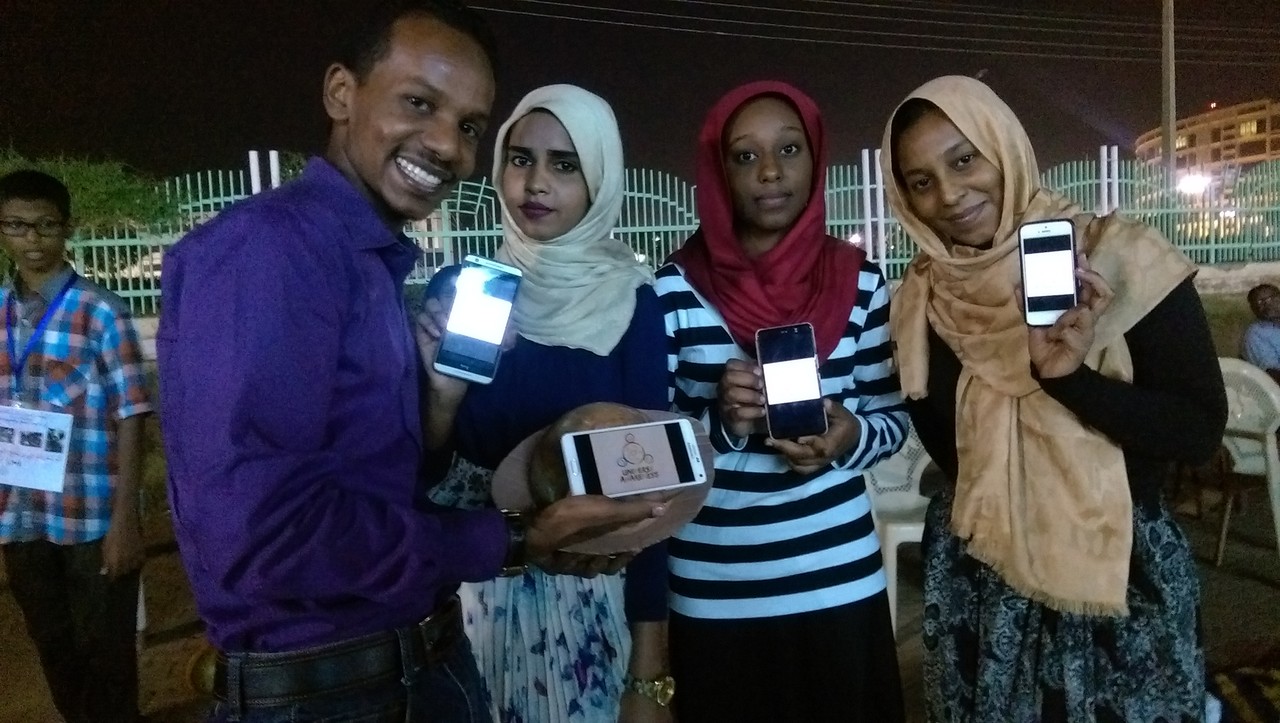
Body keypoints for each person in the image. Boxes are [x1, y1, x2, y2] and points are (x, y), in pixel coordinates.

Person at [156, 4, 664, 722]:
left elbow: (380, 479)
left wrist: (440, 402)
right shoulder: (269, 256)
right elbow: (263, 535)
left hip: (431, 652)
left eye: (470, 126)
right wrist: (510, 535)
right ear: (342, 93)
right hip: (336, 685)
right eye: (419, 103)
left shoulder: (375, 270)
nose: (448, 145)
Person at [883, 75, 1228, 722]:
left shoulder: (1119, 259)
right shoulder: (922, 301)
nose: (949, 194)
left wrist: (1071, 382)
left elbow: (1197, 429)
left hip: (1116, 570)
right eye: (921, 181)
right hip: (981, 573)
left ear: (1005, 149)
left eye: (965, 159)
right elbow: (952, 457)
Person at [417, 84, 674, 723]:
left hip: (583, 603)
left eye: (565, 164)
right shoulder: (458, 292)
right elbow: (414, 479)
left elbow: (650, 499)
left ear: (599, 180)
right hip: (468, 600)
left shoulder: (632, 306)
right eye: (520, 158)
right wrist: (442, 399)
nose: (535, 182)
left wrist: (648, 676)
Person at [655, 81, 908, 722]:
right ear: (718, 170)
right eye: (744, 156)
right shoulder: (674, 289)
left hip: (837, 581)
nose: (769, 171)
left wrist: (846, 437)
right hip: (715, 591)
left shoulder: (862, 280)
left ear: (815, 157)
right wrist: (722, 422)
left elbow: (892, 418)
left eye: (789, 149)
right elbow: (649, 451)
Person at [0, 169, 152, 723]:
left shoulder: (100, 310)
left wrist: (124, 524)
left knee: (106, 656)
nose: (32, 239)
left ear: (68, 228)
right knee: (54, 649)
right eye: (16, 225)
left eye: (45, 225)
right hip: (21, 516)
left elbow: (133, 414)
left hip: (90, 516)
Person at [1242, 282, 1280, 380]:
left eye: (1270, 299)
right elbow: (1272, 374)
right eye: (1259, 302)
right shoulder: (1255, 334)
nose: (1265, 304)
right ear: (1253, 309)